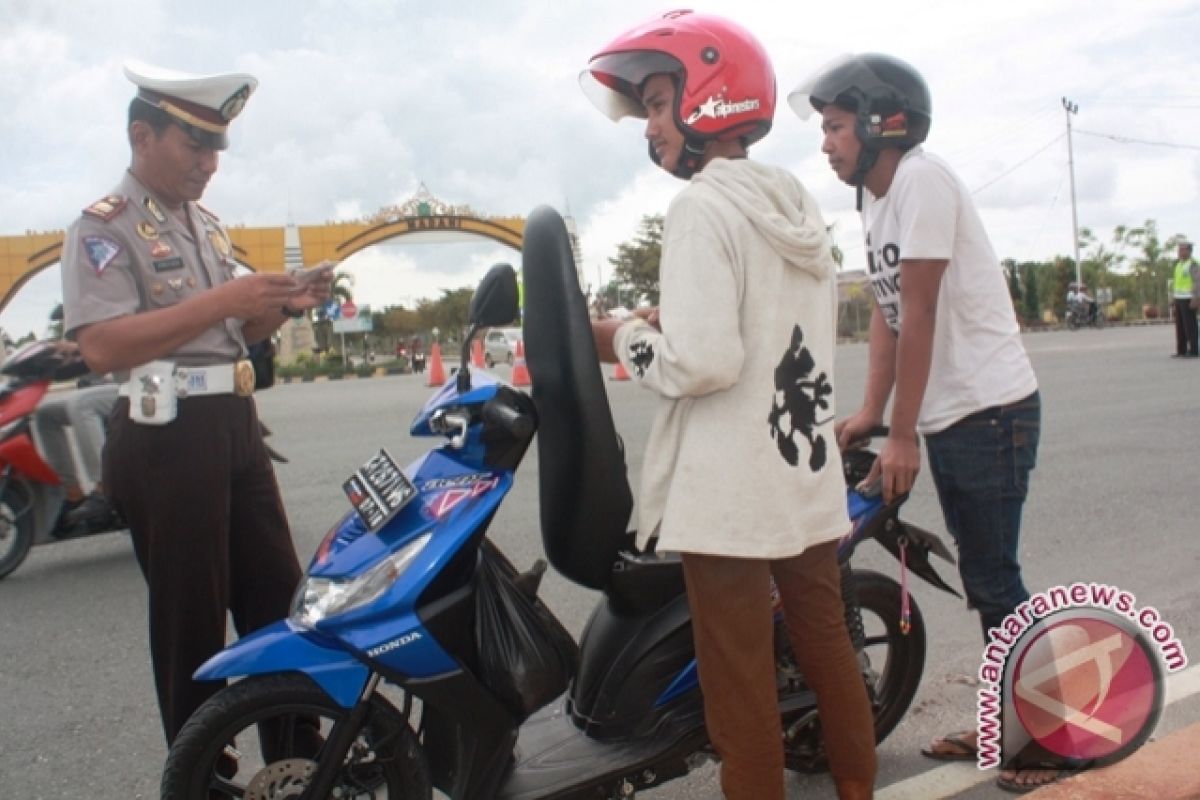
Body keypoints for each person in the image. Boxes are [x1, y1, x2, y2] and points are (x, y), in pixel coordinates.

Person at [582, 12, 876, 799]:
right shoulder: (796, 207)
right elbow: (762, 326)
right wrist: (663, 321)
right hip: (801, 471)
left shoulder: (702, 208)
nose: (648, 125)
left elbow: (706, 363)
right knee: (826, 645)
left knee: (739, 687)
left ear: (704, 97)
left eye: (653, 102)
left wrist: (621, 339)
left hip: (729, 492)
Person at [790, 55, 1053, 792]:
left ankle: (1047, 732)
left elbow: (925, 311)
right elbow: (888, 310)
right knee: (983, 574)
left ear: (881, 126)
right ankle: (1011, 717)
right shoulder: (877, 201)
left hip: (990, 409)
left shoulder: (922, 181)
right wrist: (875, 413)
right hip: (956, 411)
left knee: (994, 578)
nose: (826, 142)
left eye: (837, 127)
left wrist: (902, 435)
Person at [60, 60, 333, 745]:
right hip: (166, 438)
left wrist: (279, 307)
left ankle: (297, 764)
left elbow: (233, 333)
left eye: (217, 147)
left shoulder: (206, 227)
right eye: (195, 144)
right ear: (141, 136)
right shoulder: (103, 229)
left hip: (234, 426)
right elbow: (100, 345)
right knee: (192, 621)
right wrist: (226, 300)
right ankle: (200, 778)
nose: (210, 162)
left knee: (282, 604)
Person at [32, 340, 119, 530]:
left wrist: (81, 346)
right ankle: (73, 494)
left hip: (143, 384)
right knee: (45, 414)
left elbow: (120, 340)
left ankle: (105, 489)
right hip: (113, 383)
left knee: (82, 404)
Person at [1170, 241, 1199, 358]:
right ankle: (1181, 350)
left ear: (1189, 251)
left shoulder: (1193, 264)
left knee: (1190, 325)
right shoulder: (1179, 264)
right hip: (1179, 298)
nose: (1179, 252)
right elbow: (1176, 283)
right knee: (1180, 326)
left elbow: (1198, 282)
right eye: (1179, 250)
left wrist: (1196, 298)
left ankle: (1194, 350)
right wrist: (1173, 299)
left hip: (1189, 298)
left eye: (1182, 249)